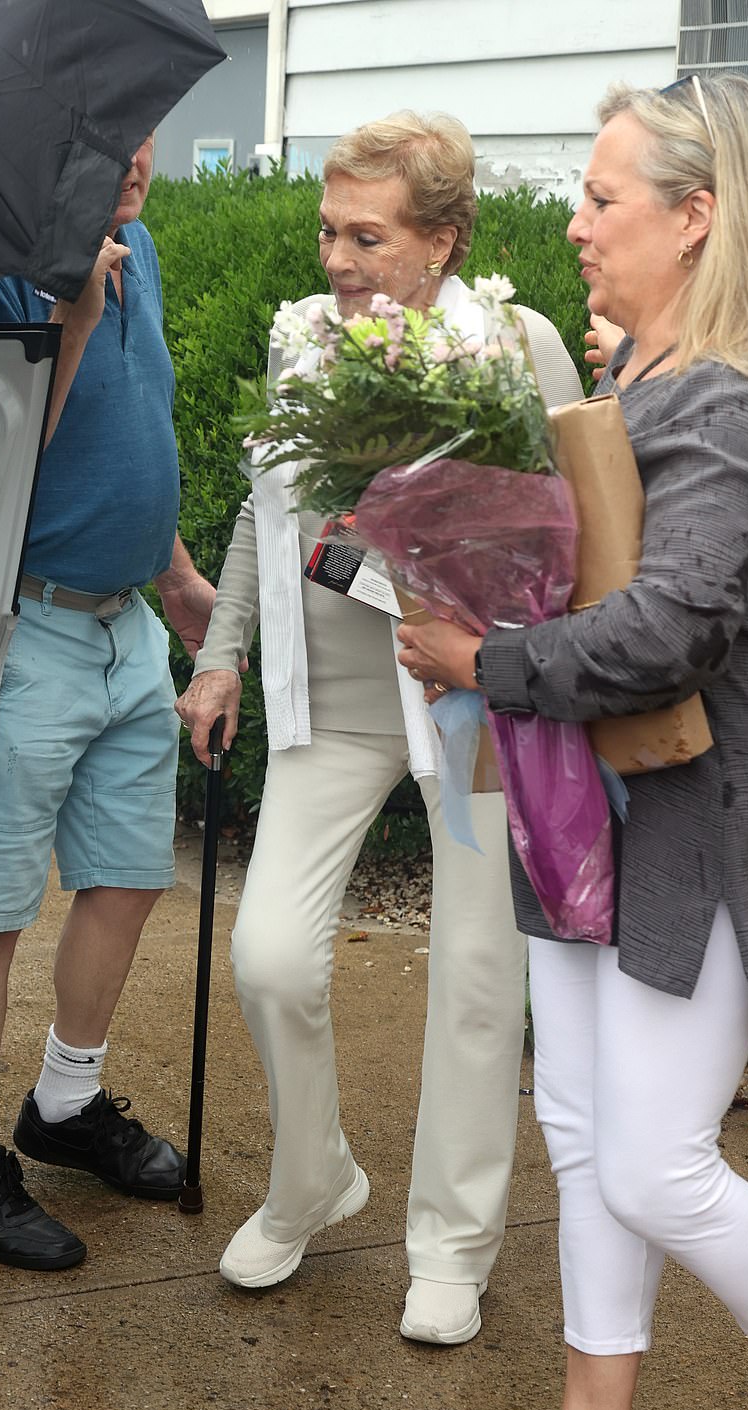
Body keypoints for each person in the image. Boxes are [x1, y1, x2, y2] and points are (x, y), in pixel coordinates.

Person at [394, 74, 748, 1410]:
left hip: (691, 820)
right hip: (586, 799)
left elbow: (670, 628)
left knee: (651, 1165)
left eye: (601, 198)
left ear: (695, 217)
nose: (576, 224)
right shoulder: (633, 373)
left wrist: (488, 664)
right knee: (583, 1137)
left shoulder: (727, 402)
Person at [175, 111, 584, 1345]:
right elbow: (259, 512)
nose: (336, 260)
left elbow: (580, 522)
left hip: (464, 697)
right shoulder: (302, 337)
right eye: (325, 231)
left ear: (445, 238)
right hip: (336, 697)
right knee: (269, 955)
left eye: (366, 234)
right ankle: (312, 1174)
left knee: (471, 976)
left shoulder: (517, 345)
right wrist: (224, 650)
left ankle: (451, 1244)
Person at [0, 135, 216, 1271]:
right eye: (101, 135)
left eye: (144, 126)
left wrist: (180, 576)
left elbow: (134, 437)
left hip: (125, 625)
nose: (135, 156)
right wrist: (72, 317)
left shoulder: (134, 243)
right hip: (22, 627)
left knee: (131, 876)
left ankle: (65, 1101)